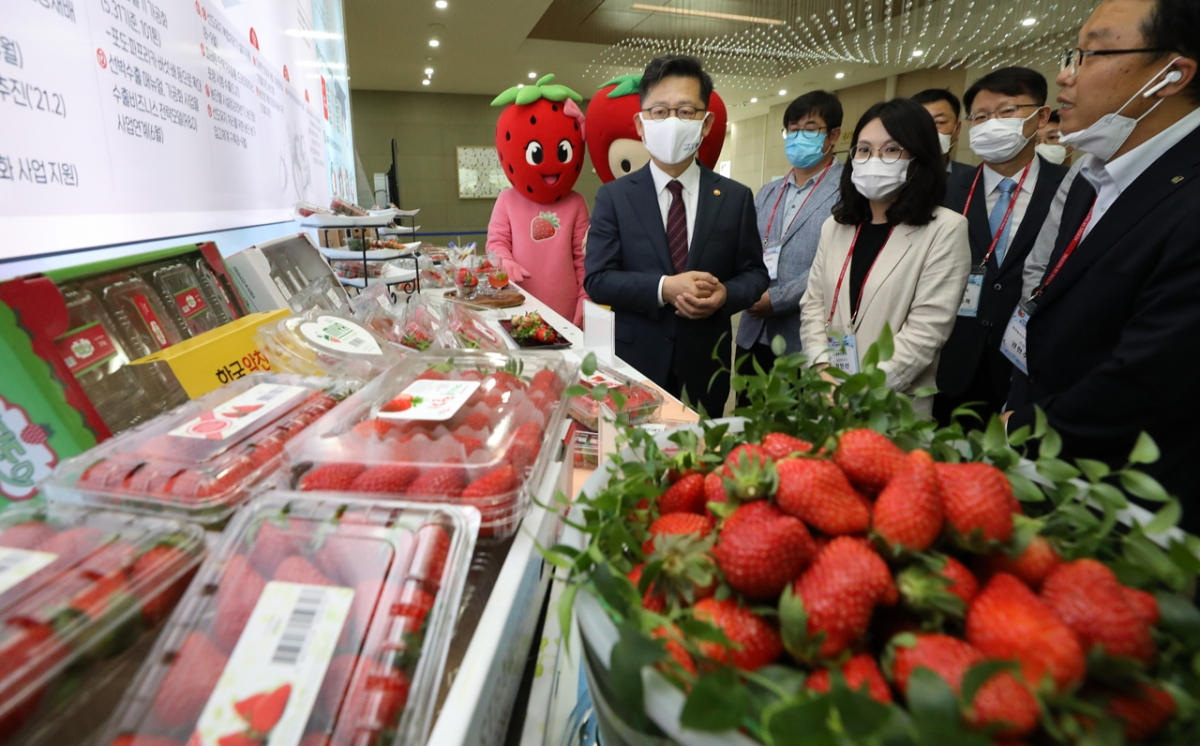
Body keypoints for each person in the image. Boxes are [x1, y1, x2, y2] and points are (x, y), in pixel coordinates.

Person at [1002, 0, 1200, 521]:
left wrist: (1018, 434)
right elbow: (1043, 305)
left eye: (1091, 55)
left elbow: (1147, 380)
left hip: (1127, 503)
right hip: (1049, 473)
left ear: (1172, 75)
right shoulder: (1095, 175)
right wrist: (1017, 405)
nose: (1065, 76)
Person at [584, 55, 769, 416]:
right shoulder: (615, 197)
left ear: (705, 123)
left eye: (685, 111)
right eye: (659, 112)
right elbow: (598, 279)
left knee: (699, 463)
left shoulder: (735, 197)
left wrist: (725, 295)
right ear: (640, 123)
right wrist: (664, 287)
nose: (671, 121)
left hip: (707, 365)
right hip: (634, 361)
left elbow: (755, 274)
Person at [799, 99, 970, 416]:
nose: (873, 159)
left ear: (920, 158)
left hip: (891, 407)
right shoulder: (836, 227)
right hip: (825, 398)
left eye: (891, 150)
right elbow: (813, 306)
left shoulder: (946, 229)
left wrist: (858, 391)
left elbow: (925, 334)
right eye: (864, 150)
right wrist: (823, 367)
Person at [934, 68, 1070, 424]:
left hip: (1031, 366)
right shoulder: (945, 193)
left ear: (1041, 116)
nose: (991, 123)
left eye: (1007, 111)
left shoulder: (1072, 191)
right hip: (953, 363)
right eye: (981, 116)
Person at [736, 91, 844, 375]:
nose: (798, 138)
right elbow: (745, 249)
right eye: (792, 131)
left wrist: (777, 299)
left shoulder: (849, 193)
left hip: (804, 340)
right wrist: (744, 291)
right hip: (752, 333)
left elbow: (836, 262)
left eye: (810, 130)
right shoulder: (768, 192)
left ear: (833, 136)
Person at [911, 88, 975, 181]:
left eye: (939, 122)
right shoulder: (891, 178)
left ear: (957, 129)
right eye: (920, 123)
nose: (929, 130)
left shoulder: (975, 179)